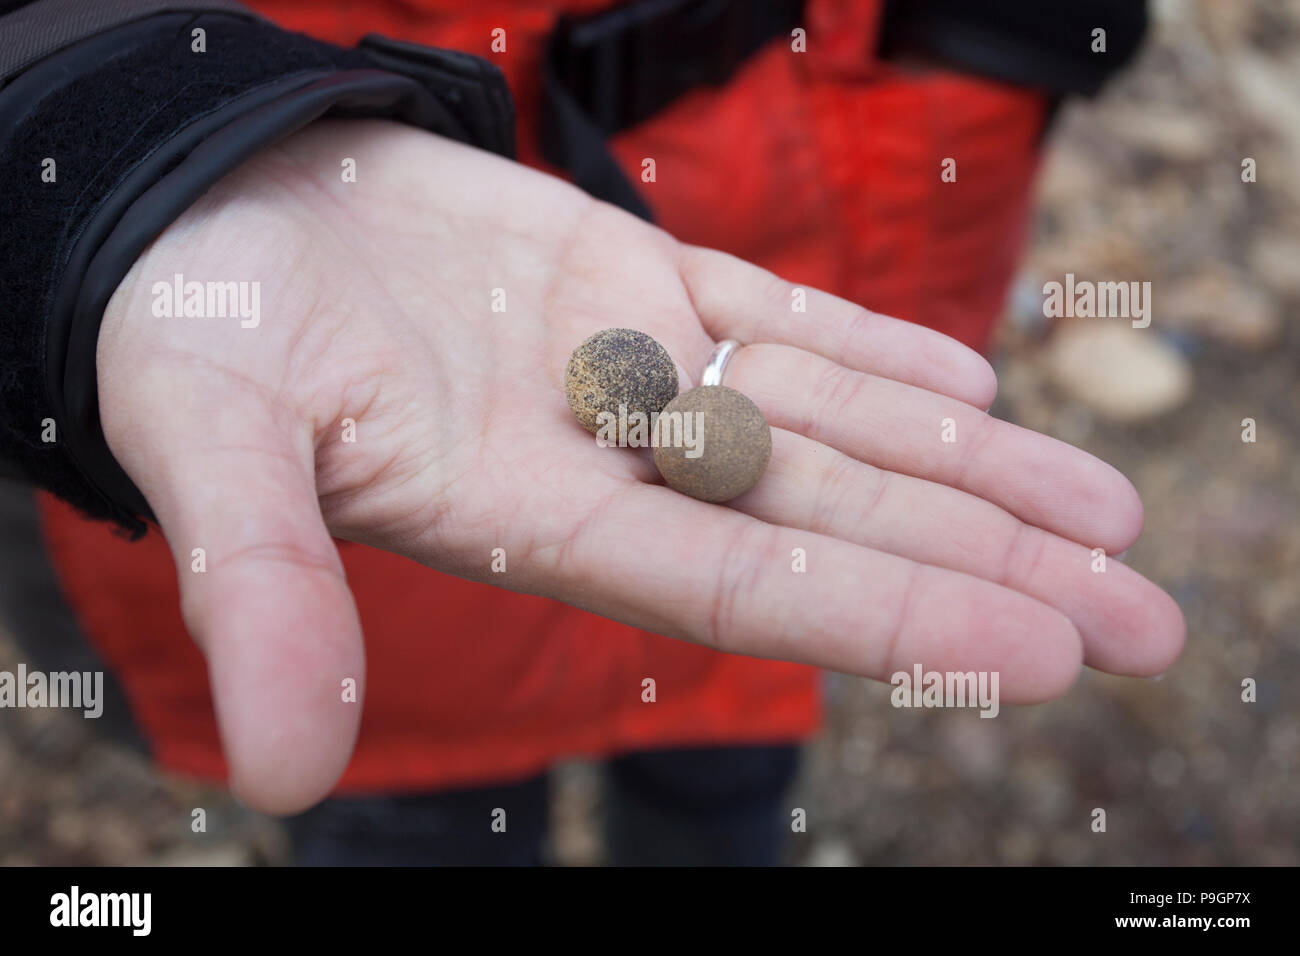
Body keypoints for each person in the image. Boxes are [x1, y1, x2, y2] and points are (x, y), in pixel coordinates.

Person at [0, 0, 1183, 865]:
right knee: (412, 813)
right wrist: (89, 108)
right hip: (378, 284)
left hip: (873, 195)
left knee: (733, 732)